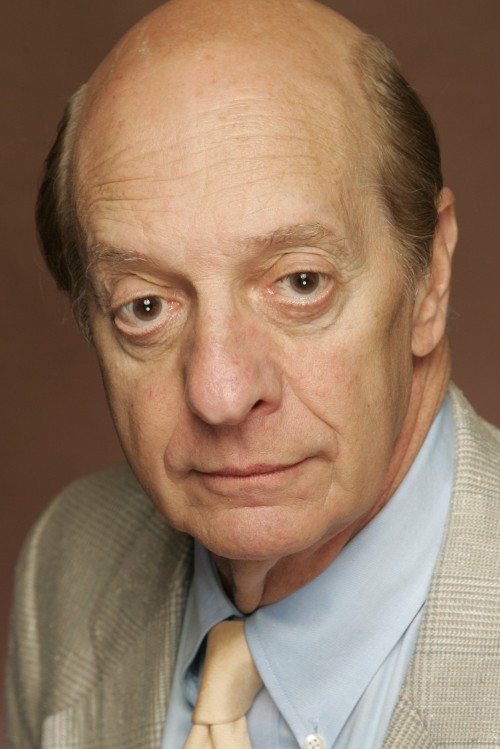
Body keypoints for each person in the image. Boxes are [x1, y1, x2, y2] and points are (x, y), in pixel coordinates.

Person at [6, 0, 500, 747]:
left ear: (428, 278)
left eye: (301, 283)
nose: (221, 394)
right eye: (146, 305)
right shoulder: (70, 561)